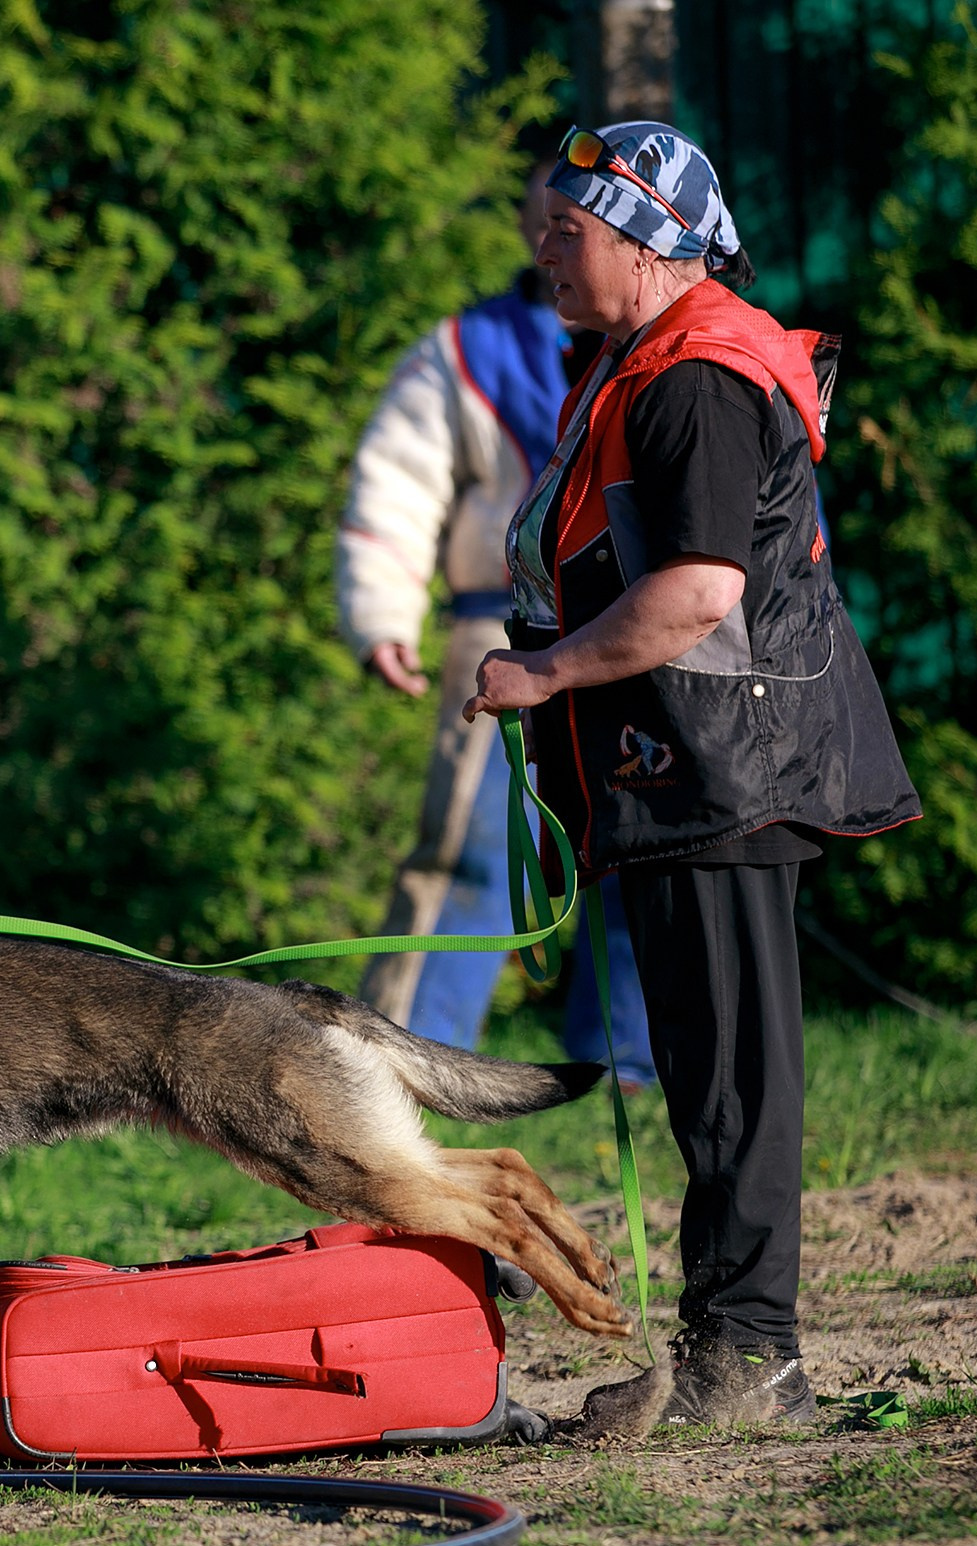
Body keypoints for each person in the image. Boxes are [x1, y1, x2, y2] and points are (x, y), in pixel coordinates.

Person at [466, 123, 920, 1426]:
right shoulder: (635, 361)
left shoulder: (699, 379)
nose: (542, 250)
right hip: (679, 778)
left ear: (650, 243)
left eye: (569, 231)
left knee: (731, 1078)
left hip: (729, 774)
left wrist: (545, 677)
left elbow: (699, 591)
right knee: (707, 1072)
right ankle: (729, 1345)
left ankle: (749, 1357)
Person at [337, 163, 654, 1086]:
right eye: (549, 214)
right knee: (469, 860)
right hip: (499, 640)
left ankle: (630, 1065)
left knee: (646, 852)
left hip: (643, 637)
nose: (559, 233)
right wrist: (381, 611)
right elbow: (397, 481)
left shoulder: (672, 345)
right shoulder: (468, 347)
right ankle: (400, 1068)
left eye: (581, 218)